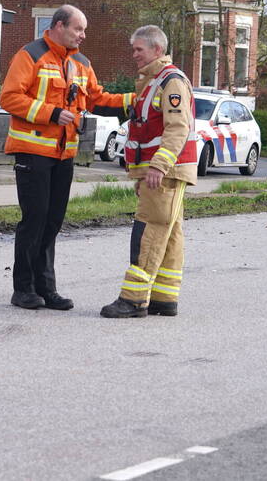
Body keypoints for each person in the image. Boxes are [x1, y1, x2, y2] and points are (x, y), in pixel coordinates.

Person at [0, 5, 130, 311]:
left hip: (64, 153)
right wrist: (52, 113)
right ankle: (23, 289)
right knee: (35, 219)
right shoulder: (30, 55)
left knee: (53, 221)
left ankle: (47, 288)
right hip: (32, 152)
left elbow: (98, 98)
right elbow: (9, 97)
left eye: (83, 31)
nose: (83, 36)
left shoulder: (82, 64)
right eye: (78, 29)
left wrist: (136, 99)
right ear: (58, 25)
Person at [101, 25, 198, 318]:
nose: (134, 55)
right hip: (165, 171)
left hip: (165, 172)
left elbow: (177, 128)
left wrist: (157, 165)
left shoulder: (170, 82)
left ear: (157, 49)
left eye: (138, 49)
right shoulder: (155, 82)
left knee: (149, 231)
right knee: (169, 233)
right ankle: (163, 299)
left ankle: (133, 300)